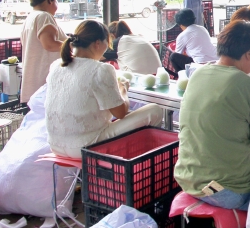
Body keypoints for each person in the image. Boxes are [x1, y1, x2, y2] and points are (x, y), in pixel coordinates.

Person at [174, 21, 250, 210]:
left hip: (188, 181)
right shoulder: (248, 85)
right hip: (229, 191)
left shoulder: (198, 74)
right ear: (249, 54)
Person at [45, 20, 163, 158]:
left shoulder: (56, 65)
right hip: (86, 146)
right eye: (107, 43)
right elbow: (120, 113)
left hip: (55, 145)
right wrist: (123, 90)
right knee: (154, 110)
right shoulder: (101, 69)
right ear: (97, 44)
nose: (107, 48)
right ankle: (140, 161)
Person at [20, 0, 68, 103]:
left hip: (33, 82)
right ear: (50, 0)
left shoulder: (30, 17)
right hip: (45, 80)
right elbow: (50, 45)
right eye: (56, 0)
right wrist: (73, 45)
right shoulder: (44, 16)